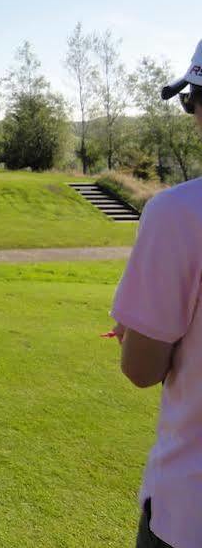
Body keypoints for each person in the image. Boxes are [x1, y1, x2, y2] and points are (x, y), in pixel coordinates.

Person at [109, 40, 202, 548]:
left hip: (190, 513)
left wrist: (133, 334)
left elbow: (141, 369)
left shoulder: (179, 214)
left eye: (191, 102)